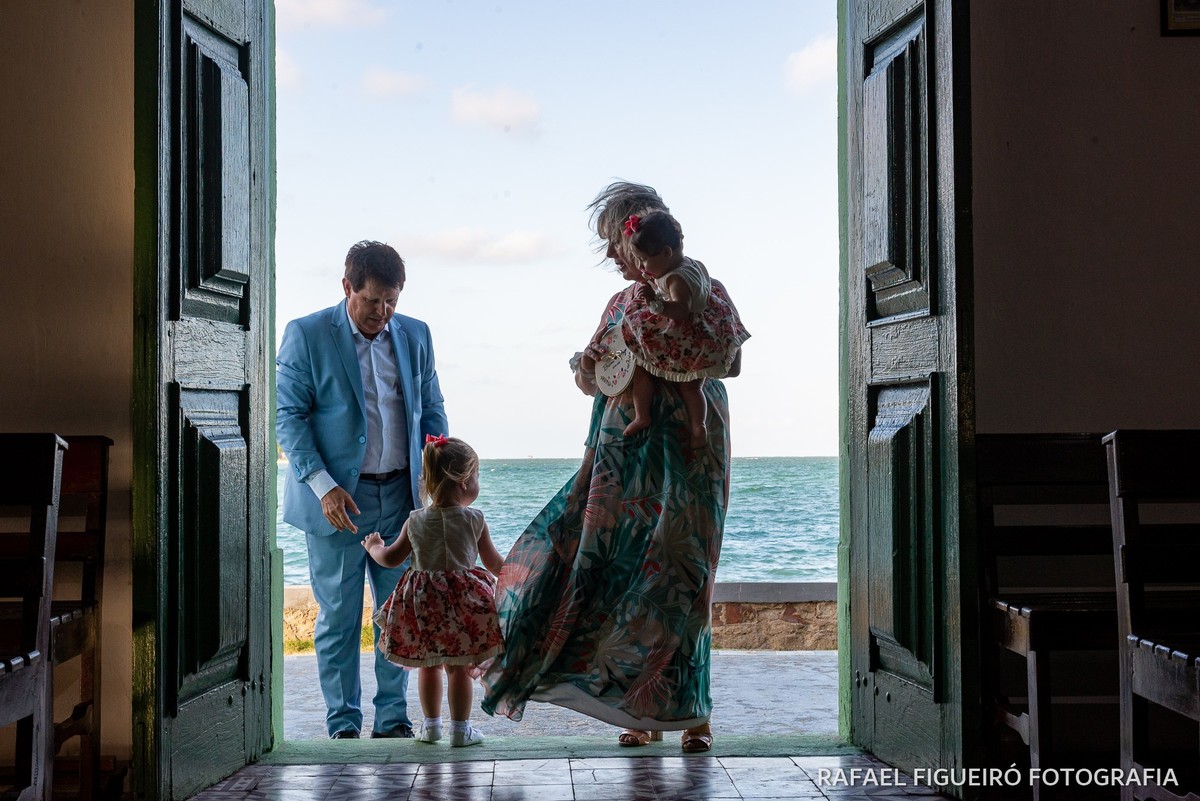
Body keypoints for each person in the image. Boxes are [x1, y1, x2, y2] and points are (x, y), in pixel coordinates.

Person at [480, 181, 739, 753]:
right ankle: (639, 711)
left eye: (615, 243)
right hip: (623, 448)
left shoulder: (700, 288)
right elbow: (594, 378)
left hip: (689, 446)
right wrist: (589, 366)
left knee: (682, 573)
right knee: (623, 571)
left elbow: (722, 357)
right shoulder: (620, 304)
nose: (614, 257)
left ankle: (692, 714)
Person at [276, 240, 448, 740]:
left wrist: (437, 475)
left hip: (401, 497)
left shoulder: (415, 334)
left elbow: (432, 410)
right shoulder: (305, 334)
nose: (383, 312)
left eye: (391, 301)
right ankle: (343, 725)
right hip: (334, 502)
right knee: (339, 619)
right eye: (372, 301)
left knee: (398, 616)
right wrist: (324, 487)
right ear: (347, 286)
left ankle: (393, 720)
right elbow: (288, 419)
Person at [362, 435, 505, 747]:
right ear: (465, 481)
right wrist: (523, 570)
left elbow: (390, 559)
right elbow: (495, 563)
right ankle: (460, 729)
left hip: (422, 604)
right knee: (459, 666)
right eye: (477, 476)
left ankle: (431, 726)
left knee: (428, 665)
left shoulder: (415, 520)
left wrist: (374, 546)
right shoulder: (474, 519)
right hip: (465, 605)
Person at [619, 210, 750, 448]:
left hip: (684, 334)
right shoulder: (690, 264)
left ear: (667, 253)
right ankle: (698, 427)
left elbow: (680, 309)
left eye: (644, 260)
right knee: (692, 387)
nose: (641, 267)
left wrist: (654, 302)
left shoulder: (674, 279)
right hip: (703, 331)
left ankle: (642, 415)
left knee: (640, 363)